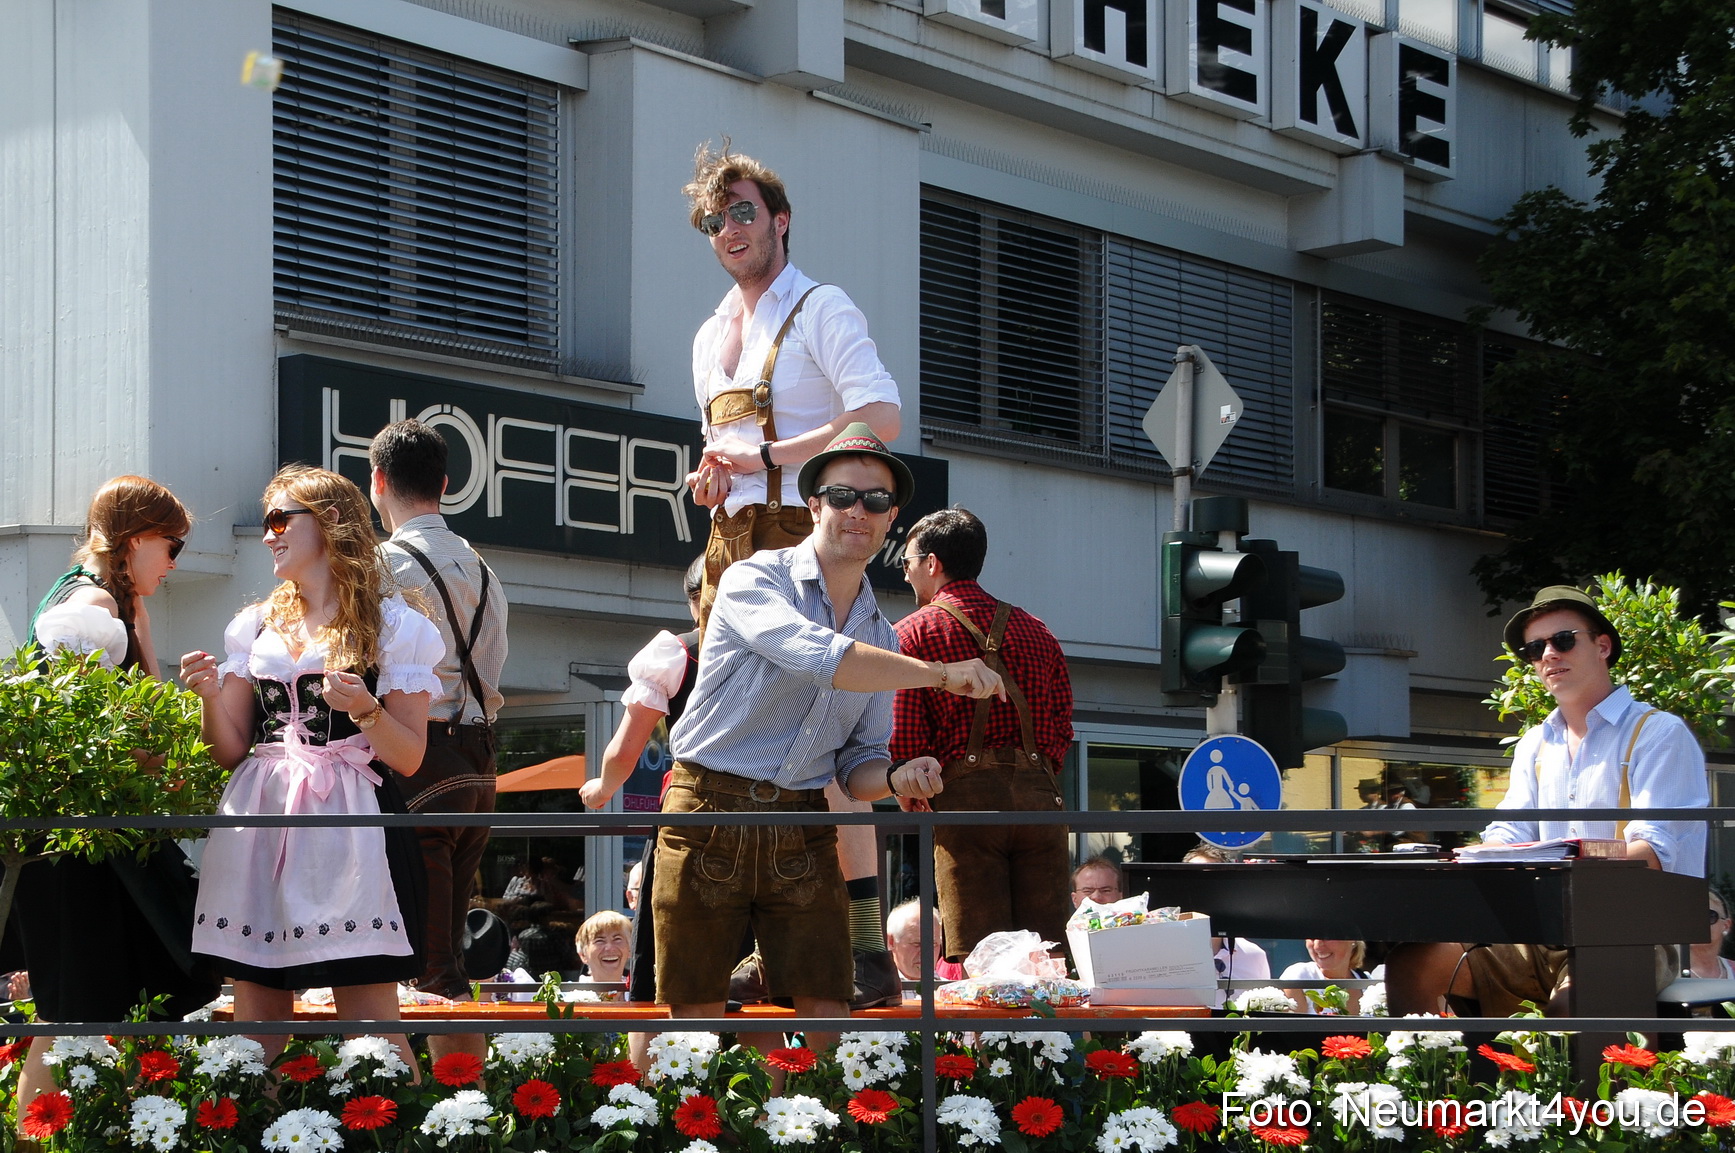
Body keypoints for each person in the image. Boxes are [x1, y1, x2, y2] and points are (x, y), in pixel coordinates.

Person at [653, 424, 1003, 1047]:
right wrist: (940, 674)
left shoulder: (883, 635)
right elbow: (818, 655)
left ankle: (817, 1110)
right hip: (709, 810)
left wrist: (895, 776)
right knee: (695, 1013)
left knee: (829, 1009)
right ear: (813, 504)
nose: (857, 511)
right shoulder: (754, 577)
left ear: (891, 519)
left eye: (875, 500)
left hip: (803, 820)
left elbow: (857, 766)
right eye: (843, 496)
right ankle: (692, 1114)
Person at [681, 144, 904, 1008]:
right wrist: (716, 478)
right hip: (730, 542)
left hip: (802, 537)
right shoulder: (709, 333)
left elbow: (878, 414)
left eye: (743, 211)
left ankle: (865, 945)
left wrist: (770, 457)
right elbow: (728, 452)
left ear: (780, 219)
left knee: (829, 742)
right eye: (714, 220)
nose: (728, 229)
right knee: (736, 741)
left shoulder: (821, 306)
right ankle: (762, 940)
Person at [179, 465, 442, 1068]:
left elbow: (408, 756)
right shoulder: (254, 626)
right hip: (260, 821)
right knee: (257, 1018)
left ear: (329, 522)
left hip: (351, 823)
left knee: (370, 1020)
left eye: (279, 519)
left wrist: (366, 709)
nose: (267, 534)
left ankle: (393, 1117)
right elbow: (228, 749)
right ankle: (263, 1118)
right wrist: (210, 697)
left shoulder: (394, 625)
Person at [1386, 584, 1710, 1017]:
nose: (1549, 655)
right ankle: (1438, 1065)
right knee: (1412, 966)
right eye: (1535, 649)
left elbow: (1652, 852)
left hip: (1631, 931)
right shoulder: (1535, 743)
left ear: (1602, 646)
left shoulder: (1658, 732)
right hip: (1538, 930)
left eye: (1562, 640)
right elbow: (1509, 832)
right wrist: (1469, 856)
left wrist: (1566, 857)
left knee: (1570, 1006)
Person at [13, 476, 219, 1128]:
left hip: (107, 843)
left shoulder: (119, 606)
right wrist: (166, 760)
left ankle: (112, 1130)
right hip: (82, 849)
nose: (175, 561)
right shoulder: (89, 606)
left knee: (115, 1001)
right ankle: (42, 1138)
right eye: (171, 545)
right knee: (71, 1011)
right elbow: (90, 735)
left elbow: (143, 724)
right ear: (135, 539)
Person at [370, 417, 508, 1066]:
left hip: (417, 763)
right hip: (478, 761)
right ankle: (465, 1103)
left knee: (426, 972)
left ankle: (452, 1109)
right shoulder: (484, 569)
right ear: (446, 484)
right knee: (444, 957)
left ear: (378, 481)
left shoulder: (384, 566)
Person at [890, 507, 1074, 960]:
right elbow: (1061, 724)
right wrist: (1037, 773)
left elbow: (904, 730)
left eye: (907, 563)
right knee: (1048, 955)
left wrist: (911, 787)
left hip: (966, 810)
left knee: (983, 960)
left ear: (931, 563)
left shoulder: (912, 634)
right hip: (1040, 805)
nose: (906, 574)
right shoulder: (1039, 631)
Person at [1180, 844, 1271, 1008]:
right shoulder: (1161, 953)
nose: (1203, 892)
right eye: (1195, 882)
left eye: (1212, 883)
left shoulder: (1253, 955)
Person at [1280, 939, 1370, 1015]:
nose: (1317, 946)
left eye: (1327, 937)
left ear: (1352, 940)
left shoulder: (1368, 982)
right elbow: (1293, 1028)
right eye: (1311, 938)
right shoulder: (1299, 976)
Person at [1689, 890, 1735, 980]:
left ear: (1726, 926)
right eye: (1691, 917)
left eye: (1709, 916)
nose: (1698, 923)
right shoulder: (1666, 973)